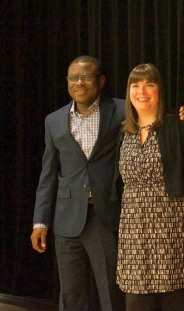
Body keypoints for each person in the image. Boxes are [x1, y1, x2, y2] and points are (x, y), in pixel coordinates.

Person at [31, 56, 124, 310]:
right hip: (66, 221)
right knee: (72, 296)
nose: (79, 82)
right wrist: (41, 222)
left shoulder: (122, 110)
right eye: (73, 77)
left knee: (111, 293)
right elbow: (48, 174)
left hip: (104, 215)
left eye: (86, 77)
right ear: (67, 82)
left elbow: (156, 114)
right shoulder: (54, 120)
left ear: (101, 81)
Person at [111, 63, 184, 310]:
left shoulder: (180, 124)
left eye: (149, 84)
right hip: (134, 232)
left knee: (176, 301)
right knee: (136, 302)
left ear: (159, 90)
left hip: (175, 230)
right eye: (135, 85)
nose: (142, 91)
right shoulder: (124, 131)